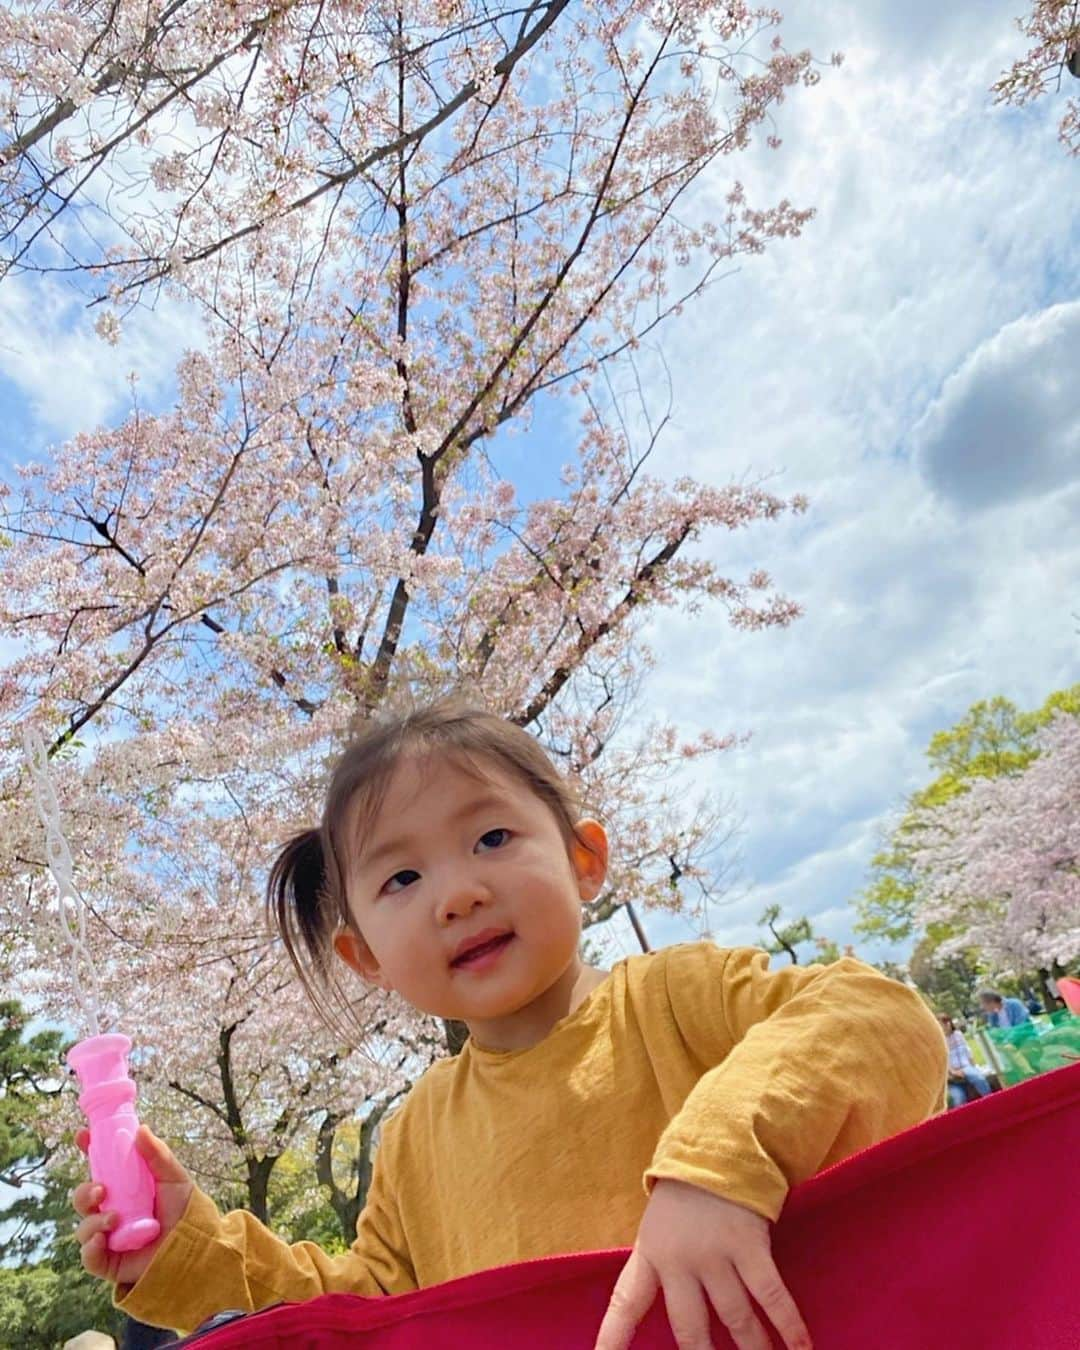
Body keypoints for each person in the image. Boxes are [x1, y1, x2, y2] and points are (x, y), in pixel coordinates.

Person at [71, 701, 947, 1350]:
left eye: (491, 838)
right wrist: (193, 1253)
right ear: (365, 956)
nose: (458, 893)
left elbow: (878, 1016)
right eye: (401, 881)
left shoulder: (677, 999)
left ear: (583, 858)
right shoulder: (415, 1136)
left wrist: (716, 1167)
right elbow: (373, 1309)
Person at [938, 1015, 991, 1108]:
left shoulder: (958, 1034)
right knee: (958, 1098)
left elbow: (967, 1051)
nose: (946, 1026)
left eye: (947, 1023)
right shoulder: (939, 1042)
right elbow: (943, 1061)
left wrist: (974, 1066)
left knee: (979, 1078)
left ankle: (991, 1100)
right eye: (942, 1024)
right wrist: (953, 1072)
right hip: (952, 1074)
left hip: (965, 1067)